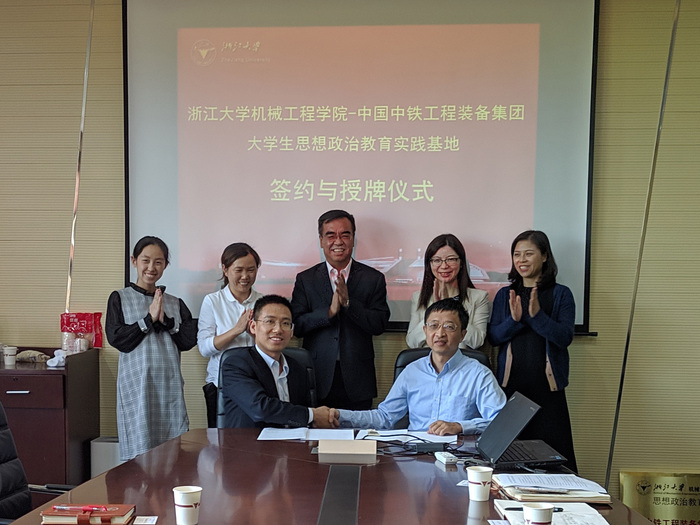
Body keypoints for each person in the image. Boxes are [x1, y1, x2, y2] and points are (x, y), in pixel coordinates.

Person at [333, 299, 506, 435]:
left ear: (462, 335)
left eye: (449, 327)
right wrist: (338, 415)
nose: (440, 333)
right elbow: (384, 417)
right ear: (425, 331)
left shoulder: (478, 374)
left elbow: (501, 421)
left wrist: (460, 426)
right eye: (434, 326)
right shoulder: (412, 371)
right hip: (415, 454)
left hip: (459, 454)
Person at [488, 230, 578, 471]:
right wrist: (515, 320)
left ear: (545, 256)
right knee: (509, 462)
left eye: (529, 254)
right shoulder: (505, 295)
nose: (522, 260)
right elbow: (494, 337)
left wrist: (537, 317)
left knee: (556, 464)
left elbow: (564, 337)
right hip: (511, 391)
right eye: (517, 254)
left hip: (548, 393)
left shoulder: (561, 294)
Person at [106, 236, 197, 461]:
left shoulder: (175, 303)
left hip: (169, 385)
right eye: (145, 260)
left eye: (158, 262)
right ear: (134, 261)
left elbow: (187, 341)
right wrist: (147, 320)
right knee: (139, 455)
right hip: (136, 387)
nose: (151, 267)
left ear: (166, 265)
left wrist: (166, 321)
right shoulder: (119, 298)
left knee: (172, 453)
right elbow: (118, 339)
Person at [291, 209, 390, 410]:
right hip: (316, 376)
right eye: (330, 235)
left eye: (345, 235)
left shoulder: (373, 278)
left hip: (358, 379)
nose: (338, 241)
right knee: (316, 430)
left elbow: (379, 324)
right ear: (321, 241)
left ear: (353, 239)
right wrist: (329, 313)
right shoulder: (306, 279)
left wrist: (348, 304)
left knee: (358, 430)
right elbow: (297, 325)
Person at [220, 295, 338, 429]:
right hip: (251, 441)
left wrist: (323, 417)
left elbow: (303, 414)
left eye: (285, 323)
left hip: (293, 440)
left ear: (291, 331)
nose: (278, 330)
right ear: (253, 327)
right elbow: (261, 408)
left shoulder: (299, 368)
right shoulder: (236, 364)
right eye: (270, 321)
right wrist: (312, 415)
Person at [197, 243, 263, 427]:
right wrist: (236, 330)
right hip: (220, 386)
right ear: (225, 270)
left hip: (257, 385)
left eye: (251, 270)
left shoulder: (263, 302)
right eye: (239, 270)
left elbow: (273, 348)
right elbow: (204, 348)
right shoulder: (212, 301)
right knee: (221, 440)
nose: (245, 276)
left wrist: (256, 335)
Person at [406, 233, 490, 351]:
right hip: (429, 361)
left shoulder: (479, 297)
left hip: (462, 361)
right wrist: (435, 310)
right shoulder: (418, 297)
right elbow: (412, 342)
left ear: (461, 263)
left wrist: (450, 308)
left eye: (450, 259)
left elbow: (477, 341)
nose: (444, 266)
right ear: (429, 265)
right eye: (437, 260)